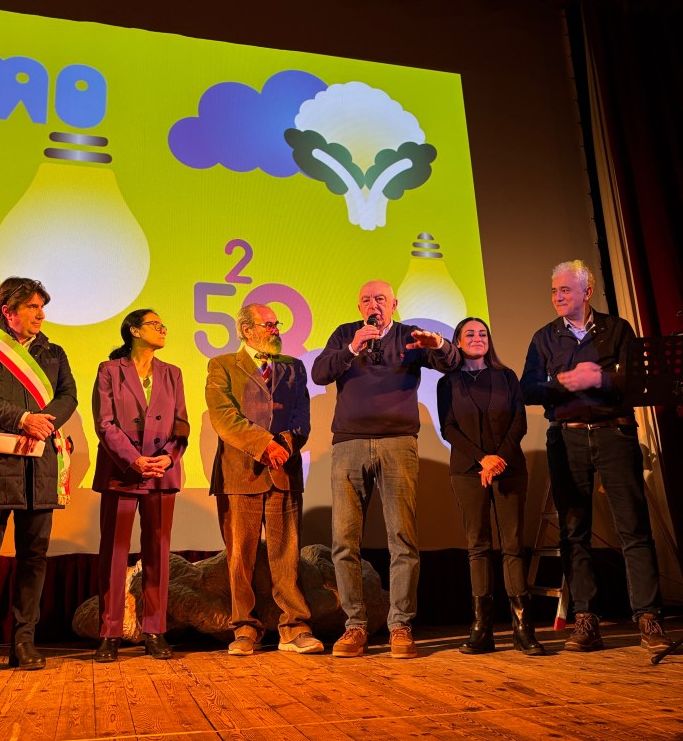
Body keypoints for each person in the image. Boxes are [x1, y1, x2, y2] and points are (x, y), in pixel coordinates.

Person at [521, 260, 672, 654]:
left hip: (614, 434)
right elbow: (528, 389)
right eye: (554, 290)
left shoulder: (617, 329)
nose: (557, 296)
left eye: (565, 290)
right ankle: (586, 619)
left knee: (633, 528)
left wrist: (600, 379)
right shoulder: (545, 337)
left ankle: (648, 618)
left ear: (587, 292)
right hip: (567, 438)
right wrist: (562, 382)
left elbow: (639, 381)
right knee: (574, 532)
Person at [312, 280, 460, 658]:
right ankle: (355, 626)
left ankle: (400, 626)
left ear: (394, 304)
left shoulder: (411, 336)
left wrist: (439, 344)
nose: (373, 304)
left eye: (380, 298)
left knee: (402, 538)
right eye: (366, 299)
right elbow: (320, 373)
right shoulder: (347, 334)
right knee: (345, 541)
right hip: (349, 444)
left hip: (398, 443)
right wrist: (352, 347)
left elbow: (452, 363)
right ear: (359, 306)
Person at [0, 277, 77, 677]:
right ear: (8, 311)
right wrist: (23, 418)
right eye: (32, 307)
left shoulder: (54, 353)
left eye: (42, 307)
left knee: (33, 556)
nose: (41, 315)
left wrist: (45, 422)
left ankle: (24, 641)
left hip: (39, 465)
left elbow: (68, 396)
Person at [205, 304, 323, 656]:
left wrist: (284, 444)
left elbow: (302, 415)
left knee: (287, 555)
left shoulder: (293, 366)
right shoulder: (222, 365)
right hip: (240, 473)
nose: (274, 329)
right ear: (245, 329)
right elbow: (223, 415)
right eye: (267, 324)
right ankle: (245, 628)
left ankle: (295, 627)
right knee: (240, 558)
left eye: (275, 324)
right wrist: (262, 445)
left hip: (284, 471)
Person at [438, 317, 544, 656]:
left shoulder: (506, 376)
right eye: (469, 333)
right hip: (468, 471)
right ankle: (482, 628)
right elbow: (448, 428)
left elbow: (519, 422)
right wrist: (482, 459)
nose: (477, 338)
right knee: (478, 546)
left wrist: (498, 459)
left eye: (483, 333)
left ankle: (523, 629)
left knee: (512, 545)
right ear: (457, 341)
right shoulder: (447, 382)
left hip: (509, 469)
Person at [92, 309, 189, 662]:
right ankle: (110, 633)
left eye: (164, 325)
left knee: (158, 554)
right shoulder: (109, 370)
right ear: (134, 331)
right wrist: (134, 459)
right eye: (155, 324)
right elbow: (104, 423)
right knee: (114, 553)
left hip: (161, 473)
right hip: (122, 471)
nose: (163, 329)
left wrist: (168, 458)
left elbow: (181, 424)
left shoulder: (172, 373)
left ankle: (155, 630)